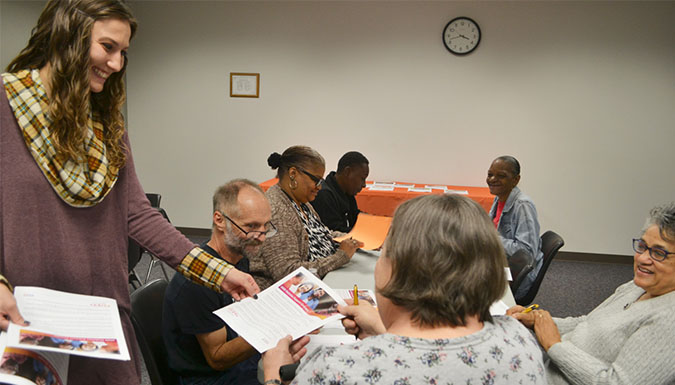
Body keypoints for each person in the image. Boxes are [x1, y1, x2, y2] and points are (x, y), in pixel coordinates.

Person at [0, 2, 258, 384]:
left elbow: (137, 214)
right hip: (24, 318)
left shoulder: (106, 122)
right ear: (66, 38)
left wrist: (217, 273)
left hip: (100, 318)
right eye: (108, 47)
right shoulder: (5, 108)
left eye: (123, 53)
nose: (117, 63)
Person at [263, 194, 546, 384]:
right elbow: (436, 361)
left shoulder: (336, 368)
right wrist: (386, 332)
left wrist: (274, 375)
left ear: (396, 270)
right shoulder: (520, 340)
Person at [508, 202, 675, 385]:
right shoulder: (638, 287)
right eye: (642, 246)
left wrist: (554, 346)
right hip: (545, 365)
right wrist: (537, 321)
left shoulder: (668, 320)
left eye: (659, 253)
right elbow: (586, 323)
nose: (642, 258)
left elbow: (616, 382)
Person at [163, 180, 275, 385]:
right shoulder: (196, 282)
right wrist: (273, 329)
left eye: (265, 227)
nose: (261, 237)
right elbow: (217, 359)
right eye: (251, 226)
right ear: (220, 220)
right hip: (212, 378)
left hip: (238, 364)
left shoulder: (240, 257)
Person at [249, 145, 363, 290]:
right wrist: (340, 257)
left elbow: (322, 233)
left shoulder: (301, 201)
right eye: (316, 180)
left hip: (321, 279)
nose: (319, 187)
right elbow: (289, 274)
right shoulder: (276, 211)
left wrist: (351, 239)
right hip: (289, 294)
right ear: (293, 174)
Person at [486, 155, 543, 298]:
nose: (492, 179)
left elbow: (526, 252)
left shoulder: (523, 205)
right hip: (501, 261)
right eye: (490, 174)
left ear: (515, 180)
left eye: (501, 176)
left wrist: (490, 238)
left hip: (515, 275)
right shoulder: (500, 198)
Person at [310, 151, 369, 232]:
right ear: (347, 172)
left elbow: (355, 216)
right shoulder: (324, 195)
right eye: (362, 179)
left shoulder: (347, 191)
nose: (364, 185)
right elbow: (334, 231)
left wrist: (375, 222)